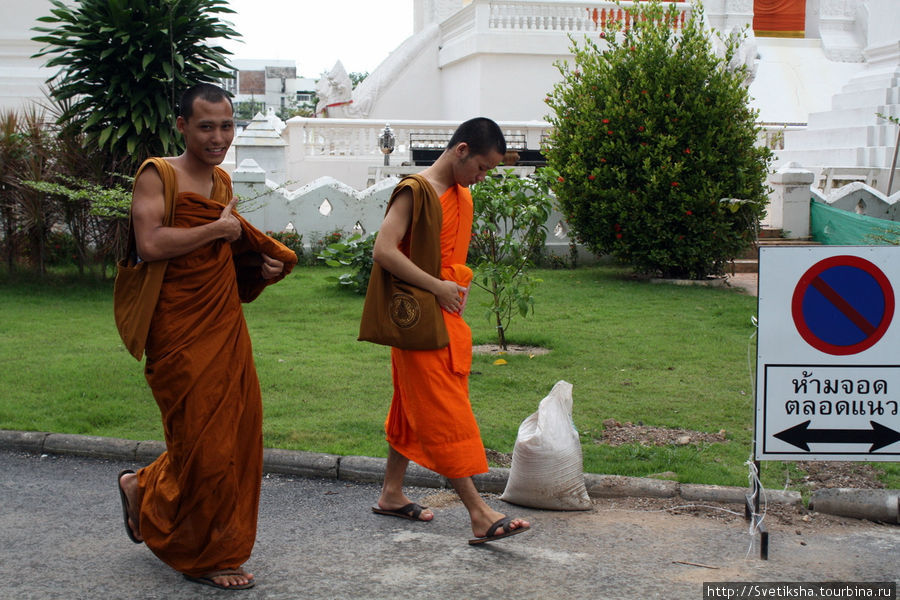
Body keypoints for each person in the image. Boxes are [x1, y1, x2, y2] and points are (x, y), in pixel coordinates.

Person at [116, 83, 297, 590]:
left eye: (226, 125)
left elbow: (222, 257)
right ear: (182, 127)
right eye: (206, 126)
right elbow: (151, 244)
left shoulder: (220, 181)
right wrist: (218, 232)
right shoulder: (158, 176)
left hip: (222, 326)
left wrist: (260, 267)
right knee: (200, 439)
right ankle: (198, 549)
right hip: (174, 328)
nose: (218, 137)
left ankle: (144, 488)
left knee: (233, 433)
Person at [369, 117, 531, 544]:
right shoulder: (415, 191)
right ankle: (478, 512)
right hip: (420, 315)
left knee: (411, 404)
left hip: (444, 310)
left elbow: (448, 252)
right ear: (461, 151)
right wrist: (438, 285)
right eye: (480, 168)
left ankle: (390, 493)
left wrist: (451, 285)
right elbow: (383, 250)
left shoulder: (460, 194)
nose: (480, 179)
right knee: (442, 408)